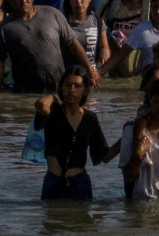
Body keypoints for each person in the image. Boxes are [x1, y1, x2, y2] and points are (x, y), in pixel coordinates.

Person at [0, 0, 99, 93]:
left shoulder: (53, 14)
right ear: (10, 0)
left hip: (58, 87)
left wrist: (90, 69)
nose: (23, 1)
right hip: (25, 91)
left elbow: (73, 44)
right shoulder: (3, 29)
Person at [34, 66, 111, 200]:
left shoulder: (90, 118)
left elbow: (103, 155)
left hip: (80, 182)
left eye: (77, 86)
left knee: (82, 220)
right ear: (61, 87)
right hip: (54, 181)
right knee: (52, 219)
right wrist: (55, 98)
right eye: (67, 85)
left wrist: (128, 137)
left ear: (85, 89)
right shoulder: (53, 113)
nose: (72, 90)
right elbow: (41, 104)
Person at [96, 0, 152, 75]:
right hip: (114, 60)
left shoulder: (150, 7)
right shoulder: (108, 3)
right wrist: (105, 45)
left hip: (139, 61)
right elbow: (96, 27)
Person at [63, 0, 109, 69]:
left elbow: (105, 47)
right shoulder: (62, 22)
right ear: (69, 0)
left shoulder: (98, 22)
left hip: (91, 74)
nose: (78, 1)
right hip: (68, 74)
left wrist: (105, 52)